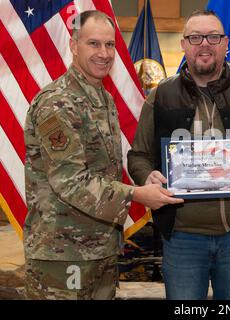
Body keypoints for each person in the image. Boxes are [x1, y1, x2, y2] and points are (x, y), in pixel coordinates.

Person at [127, 10, 230, 300]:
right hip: (181, 239)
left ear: (226, 43)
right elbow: (138, 155)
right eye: (195, 37)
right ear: (184, 45)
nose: (205, 44)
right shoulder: (161, 96)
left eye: (213, 37)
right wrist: (146, 175)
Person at [23, 10, 183, 300]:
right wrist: (135, 194)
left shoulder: (102, 97)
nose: (104, 53)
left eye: (110, 45)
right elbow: (70, 181)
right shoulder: (58, 103)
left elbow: (103, 170)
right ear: (73, 46)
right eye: (93, 44)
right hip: (63, 254)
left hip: (100, 248)